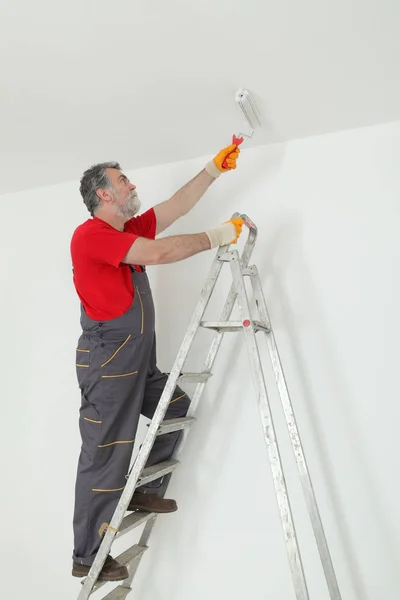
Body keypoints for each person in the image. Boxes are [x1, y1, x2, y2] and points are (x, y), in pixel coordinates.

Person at [70, 141, 243, 581]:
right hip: (108, 366)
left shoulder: (127, 230)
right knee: (105, 455)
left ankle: (143, 491)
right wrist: (217, 236)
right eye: (122, 179)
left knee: (175, 407)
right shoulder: (91, 235)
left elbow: (172, 209)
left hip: (138, 363)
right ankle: (87, 555)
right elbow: (161, 252)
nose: (131, 184)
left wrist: (211, 169)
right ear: (103, 194)